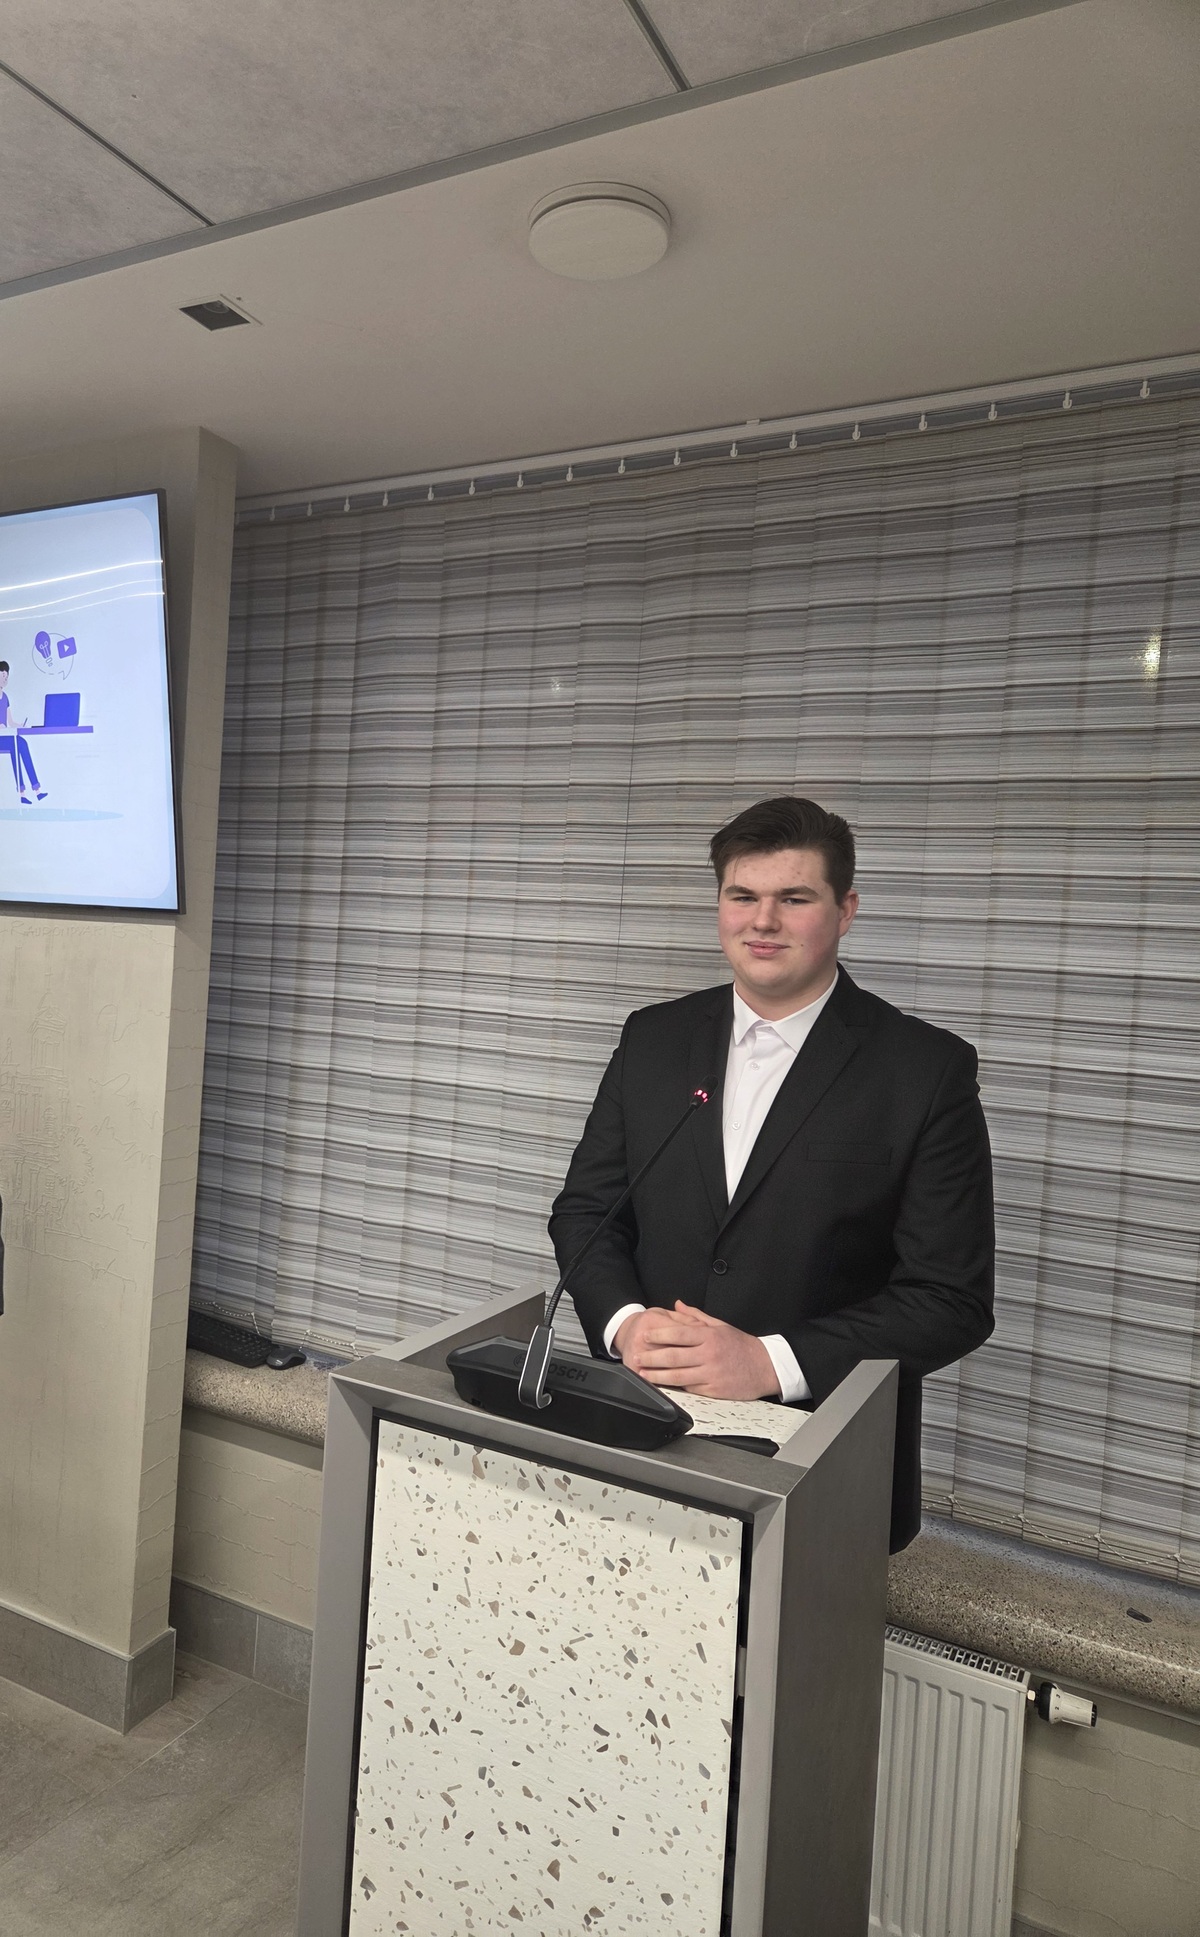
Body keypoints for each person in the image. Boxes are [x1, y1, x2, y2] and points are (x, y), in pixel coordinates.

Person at [549, 795, 995, 1551]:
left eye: (794, 898)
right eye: (742, 896)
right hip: (639, 1429)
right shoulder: (653, 1038)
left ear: (845, 910)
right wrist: (625, 1326)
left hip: (820, 1467)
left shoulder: (924, 1070)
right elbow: (587, 1211)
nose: (763, 921)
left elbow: (950, 1299)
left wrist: (768, 1361)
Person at [0, 660, 47, 804]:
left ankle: (29, 792)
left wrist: (21, 725)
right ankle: (29, 791)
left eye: (6, 676)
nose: (5, 678)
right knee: (17, 744)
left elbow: (10, 722)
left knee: (20, 743)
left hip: (4, 736)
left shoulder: (5, 697)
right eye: (2, 675)